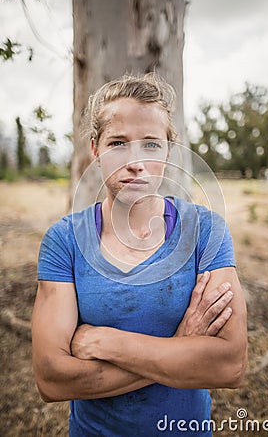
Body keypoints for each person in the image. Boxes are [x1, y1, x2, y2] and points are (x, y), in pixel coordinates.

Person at [32, 73, 247, 437]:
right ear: (95, 149)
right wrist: (180, 348)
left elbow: (228, 366)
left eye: (150, 144)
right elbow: (52, 379)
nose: (135, 162)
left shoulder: (205, 231)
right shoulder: (65, 240)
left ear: (168, 150)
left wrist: (107, 342)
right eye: (118, 143)